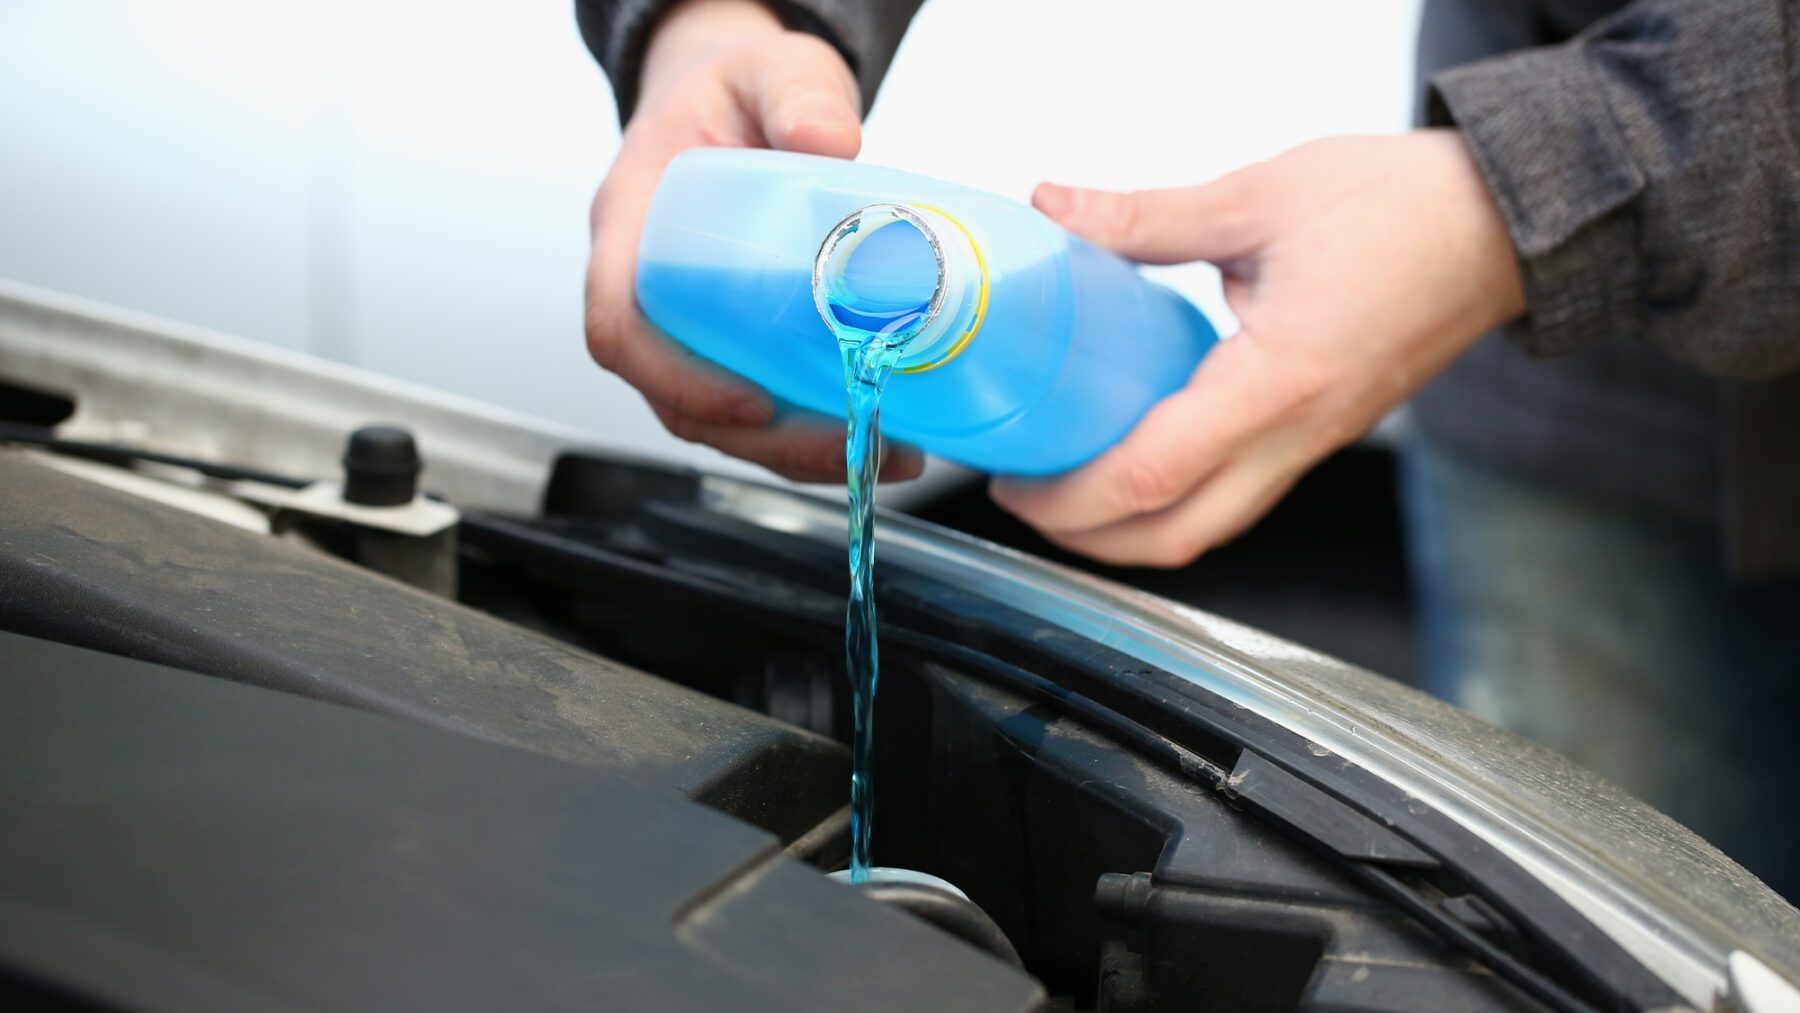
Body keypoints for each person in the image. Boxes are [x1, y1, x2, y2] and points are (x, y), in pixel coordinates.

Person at [574, 0, 1800, 898]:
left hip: (1572, 232)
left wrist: (1529, 192)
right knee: (1602, 893)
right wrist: (722, 16)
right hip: (1594, 393)